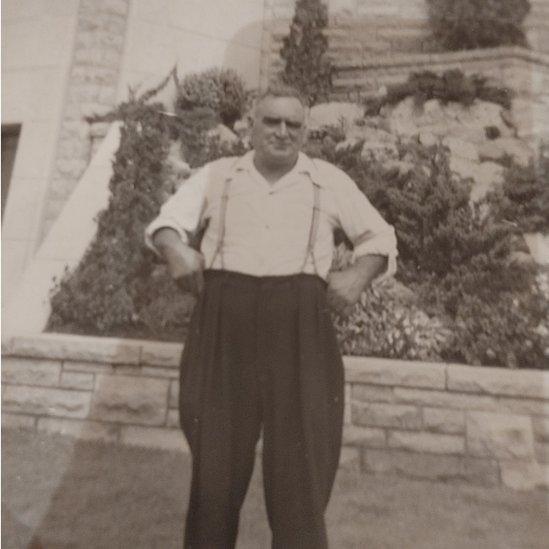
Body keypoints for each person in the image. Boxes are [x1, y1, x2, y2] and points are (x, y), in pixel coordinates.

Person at [145, 84, 398, 548]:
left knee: (300, 476)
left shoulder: (329, 181)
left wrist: (358, 277)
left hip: (300, 327)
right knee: (214, 476)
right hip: (224, 325)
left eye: (293, 125)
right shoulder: (217, 175)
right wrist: (175, 249)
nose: (282, 132)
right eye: (272, 122)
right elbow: (165, 222)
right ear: (250, 125)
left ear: (304, 132)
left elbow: (380, 238)